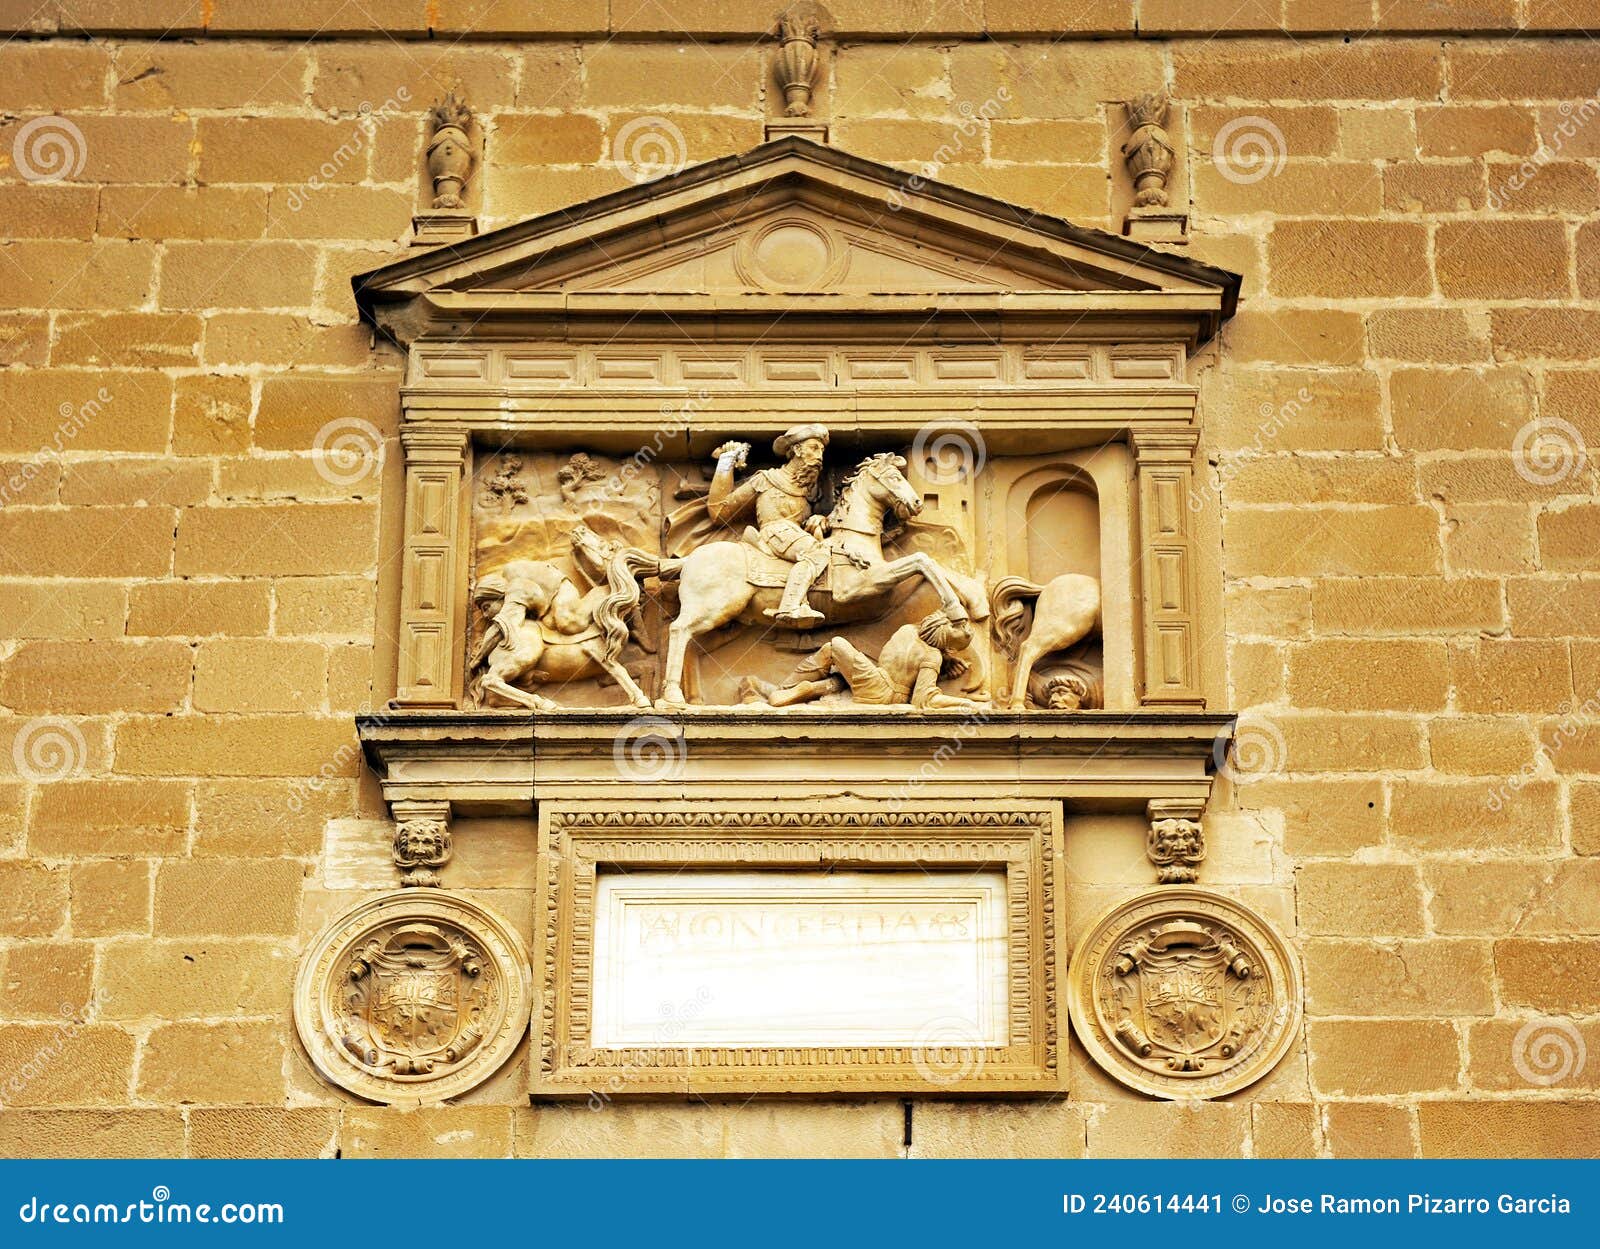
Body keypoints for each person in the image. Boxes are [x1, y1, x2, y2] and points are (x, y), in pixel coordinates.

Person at [706, 424, 833, 627]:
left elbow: (817, 522)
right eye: (813, 447)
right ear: (797, 450)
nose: (819, 455)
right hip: (773, 534)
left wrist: (820, 520)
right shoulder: (766, 479)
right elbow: (719, 512)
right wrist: (726, 461)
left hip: (794, 537)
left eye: (822, 450)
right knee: (817, 552)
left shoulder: (811, 490)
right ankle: (790, 607)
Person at [741, 611, 983, 710]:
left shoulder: (907, 631)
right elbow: (926, 698)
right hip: (883, 688)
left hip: (879, 687)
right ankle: (812, 689)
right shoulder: (931, 655)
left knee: (835, 647)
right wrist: (967, 704)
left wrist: (965, 703)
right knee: (840, 679)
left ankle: (787, 689)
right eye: (957, 625)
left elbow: (922, 699)